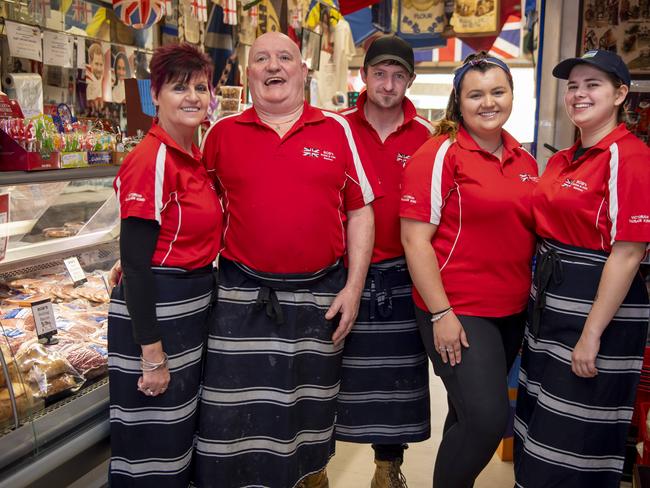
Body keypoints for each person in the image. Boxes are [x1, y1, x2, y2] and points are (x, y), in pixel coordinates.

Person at [194, 32, 381, 488]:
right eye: (261, 59)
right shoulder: (221, 134)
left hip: (320, 299)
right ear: (247, 73)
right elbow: (195, 207)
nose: (273, 67)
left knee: (307, 412)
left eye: (284, 58)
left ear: (303, 71)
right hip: (241, 298)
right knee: (233, 414)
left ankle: (307, 479)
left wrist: (353, 289)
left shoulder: (336, 130)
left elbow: (361, 211)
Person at [400, 52, 538, 488]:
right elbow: (414, 240)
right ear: (458, 102)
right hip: (457, 310)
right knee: (486, 419)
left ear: (512, 95)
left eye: (498, 92)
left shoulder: (526, 161)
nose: (488, 102)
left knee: (465, 413)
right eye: (475, 95)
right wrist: (442, 313)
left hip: (510, 310)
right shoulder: (439, 154)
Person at [514, 50, 650, 488]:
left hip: (596, 310)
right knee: (539, 422)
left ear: (620, 94)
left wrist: (592, 334)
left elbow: (629, 252)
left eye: (593, 84)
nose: (579, 93)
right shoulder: (561, 159)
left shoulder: (629, 158)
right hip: (550, 304)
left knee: (576, 433)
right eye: (573, 85)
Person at [107, 43, 221, 487]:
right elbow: (136, 267)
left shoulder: (193, 155)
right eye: (179, 88)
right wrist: (151, 355)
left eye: (200, 86)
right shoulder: (151, 160)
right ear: (155, 94)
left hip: (188, 312)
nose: (192, 96)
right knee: (152, 447)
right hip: (157, 320)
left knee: (176, 439)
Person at [335, 35, 432, 488]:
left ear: (410, 81)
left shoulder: (429, 138)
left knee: (396, 384)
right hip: (338, 272)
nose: (388, 84)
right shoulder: (334, 128)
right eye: (380, 73)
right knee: (325, 372)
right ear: (364, 76)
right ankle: (314, 466)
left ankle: (388, 467)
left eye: (398, 76)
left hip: (401, 274)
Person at [86, 42, 104, 109]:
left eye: (101, 64)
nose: (99, 69)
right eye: (96, 64)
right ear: (90, 63)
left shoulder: (104, 77)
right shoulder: (88, 78)